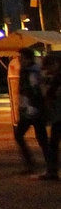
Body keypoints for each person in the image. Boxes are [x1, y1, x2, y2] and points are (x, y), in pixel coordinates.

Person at [13, 46, 46, 174]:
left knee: (38, 138)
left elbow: (35, 90)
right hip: (29, 110)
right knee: (39, 138)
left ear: (27, 58)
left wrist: (31, 107)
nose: (19, 60)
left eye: (21, 58)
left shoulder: (32, 71)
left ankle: (39, 164)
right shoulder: (26, 70)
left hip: (34, 110)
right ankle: (41, 164)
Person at [41, 52, 61, 181]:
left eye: (49, 68)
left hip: (59, 116)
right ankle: (52, 171)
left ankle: (52, 171)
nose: (48, 71)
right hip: (58, 116)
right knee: (53, 143)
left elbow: (52, 93)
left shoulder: (59, 76)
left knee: (53, 143)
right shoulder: (57, 75)